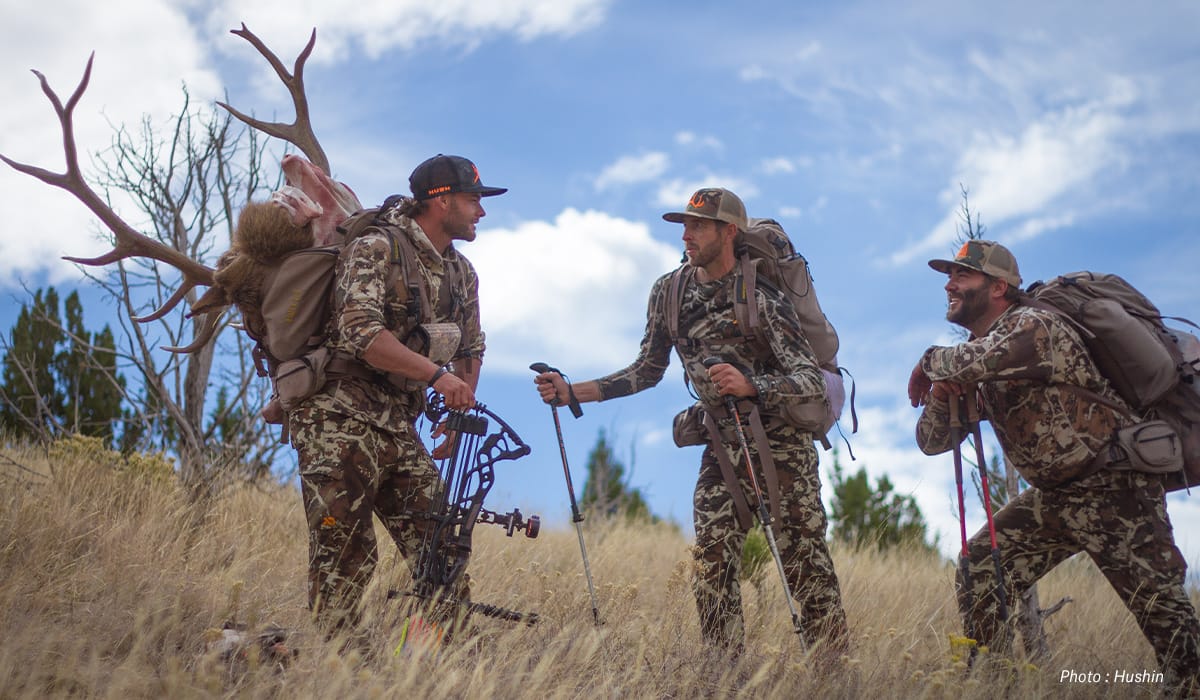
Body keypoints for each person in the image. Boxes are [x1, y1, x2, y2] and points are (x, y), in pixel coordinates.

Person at [534, 187, 850, 658]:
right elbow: (646, 370)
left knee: (805, 566)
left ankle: (836, 676)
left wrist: (752, 385)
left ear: (728, 232)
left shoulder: (762, 297)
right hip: (720, 445)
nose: (686, 235)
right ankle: (723, 676)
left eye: (698, 225)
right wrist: (572, 391)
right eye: (684, 225)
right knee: (712, 562)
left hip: (781, 445)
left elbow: (808, 378)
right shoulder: (670, 291)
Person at [908, 240, 1200, 693]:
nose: (949, 284)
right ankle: (994, 686)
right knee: (981, 566)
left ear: (999, 287)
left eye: (962, 276)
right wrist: (943, 395)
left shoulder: (1034, 327)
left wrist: (932, 362)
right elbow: (932, 442)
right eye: (950, 276)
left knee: (1166, 618)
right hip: (1057, 498)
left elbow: (970, 361)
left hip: (1113, 488)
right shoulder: (980, 355)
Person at [287, 154, 505, 640]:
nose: (481, 213)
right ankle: (338, 671)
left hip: (396, 424)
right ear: (441, 200)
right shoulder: (375, 247)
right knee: (343, 553)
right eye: (474, 201)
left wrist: (457, 410)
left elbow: (470, 346)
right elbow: (360, 331)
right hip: (335, 417)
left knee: (442, 548)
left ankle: (428, 669)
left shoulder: (461, 273)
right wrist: (437, 378)